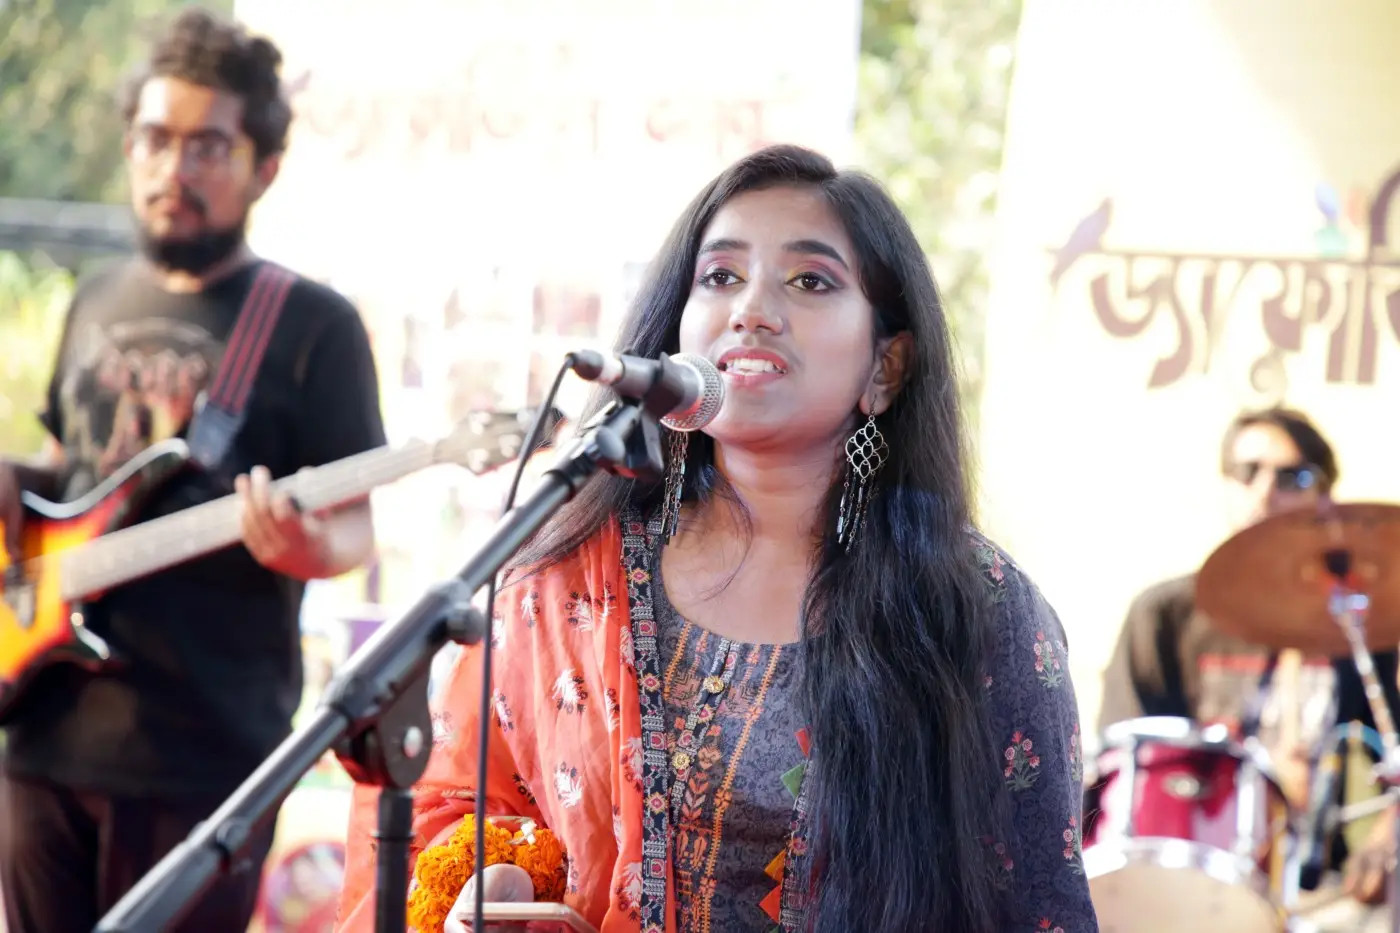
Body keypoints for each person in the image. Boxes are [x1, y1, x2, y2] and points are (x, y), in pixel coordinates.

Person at [336, 145, 1097, 933]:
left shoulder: (977, 610)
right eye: (722, 276)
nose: (751, 309)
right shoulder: (563, 580)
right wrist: (486, 886)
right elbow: (449, 805)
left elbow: (1043, 911)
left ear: (887, 367)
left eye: (810, 281)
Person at [0, 8, 386, 933]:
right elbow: (67, 468)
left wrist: (298, 547)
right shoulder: (97, 296)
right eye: (155, 139)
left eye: (208, 146)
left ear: (264, 167)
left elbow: (355, 531)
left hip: (204, 758)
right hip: (45, 725)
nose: (174, 168)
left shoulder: (314, 325)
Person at [1098, 406, 1400, 930]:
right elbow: (1121, 769)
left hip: (1313, 894)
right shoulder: (1165, 616)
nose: (1265, 491)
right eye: (1248, 471)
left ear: (1324, 499)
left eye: (1292, 477)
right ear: (1225, 486)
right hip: (1181, 875)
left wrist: (1389, 832)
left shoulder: (1359, 625)